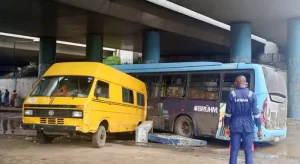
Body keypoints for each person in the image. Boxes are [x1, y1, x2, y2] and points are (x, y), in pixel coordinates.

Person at [224, 76, 263, 164]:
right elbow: (256, 114)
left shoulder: (232, 94)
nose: (234, 83)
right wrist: (259, 128)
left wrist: (226, 126)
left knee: (234, 151)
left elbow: (228, 113)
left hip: (235, 126)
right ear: (245, 83)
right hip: (248, 126)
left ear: (237, 83)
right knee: (248, 152)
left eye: (235, 82)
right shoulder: (251, 94)